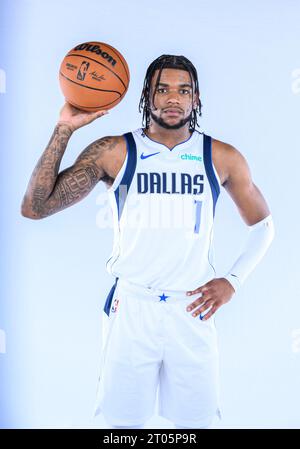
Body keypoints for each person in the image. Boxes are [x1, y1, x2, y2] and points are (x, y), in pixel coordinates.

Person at [21, 54, 275, 429]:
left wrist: (232, 281)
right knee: (123, 427)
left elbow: (264, 226)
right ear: (146, 96)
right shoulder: (115, 151)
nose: (173, 98)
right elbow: (35, 208)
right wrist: (65, 127)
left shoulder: (221, 157)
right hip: (132, 308)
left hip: (193, 309)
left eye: (183, 90)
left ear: (196, 98)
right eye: (163, 89)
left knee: (197, 425)